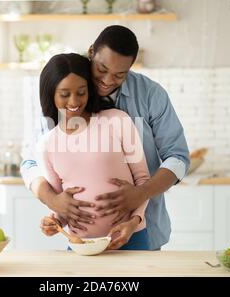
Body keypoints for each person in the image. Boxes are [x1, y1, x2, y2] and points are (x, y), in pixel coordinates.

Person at [22, 25, 190, 251]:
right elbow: (31, 163)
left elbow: (177, 157)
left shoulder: (149, 95)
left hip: (140, 229)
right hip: (82, 241)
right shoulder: (67, 95)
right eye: (102, 69)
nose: (107, 80)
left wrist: (141, 193)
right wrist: (53, 203)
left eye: (119, 74)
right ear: (91, 52)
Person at [37, 53, 151, 250]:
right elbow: (61, 204)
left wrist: (134, 223)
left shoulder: (117, 121)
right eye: (64, 94)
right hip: (81, 246)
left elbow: (142, 180)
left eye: (81, 92)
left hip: (130, 239)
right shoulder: (47, 144)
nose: (74, 101)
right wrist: (54, 222)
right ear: (51, 94)